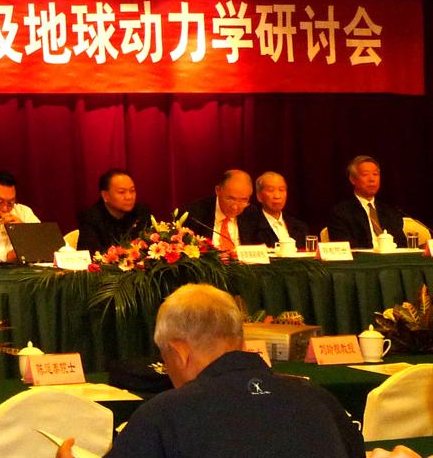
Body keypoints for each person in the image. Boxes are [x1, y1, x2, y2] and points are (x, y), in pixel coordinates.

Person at [58, 284, 364, 458]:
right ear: (242, 342)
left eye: (165, 359)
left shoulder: (164, 414)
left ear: (179, 351)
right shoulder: (318, 399)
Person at [328, 156, 406, 249]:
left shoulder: (390, 212)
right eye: (365, 174)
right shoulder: (341, 212)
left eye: (375, 174)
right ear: (352, 179)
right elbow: (344, 247)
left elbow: (402, 245)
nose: (372, 179)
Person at [76, 168, 151, 253]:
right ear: (105, 195)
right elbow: (90, 254)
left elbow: (149, 247)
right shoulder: (91, 218)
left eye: (132, 191)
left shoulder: (141, 212)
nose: (129, 197)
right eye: (121, 192)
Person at [182, 169, 254, 251]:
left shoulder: (252, 214)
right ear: (218, 190)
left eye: (243, 200)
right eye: (230, 199)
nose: (235, 207)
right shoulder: (194, 214)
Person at [241, 171, 310, 248]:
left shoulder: (299, 227)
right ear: (259, 196)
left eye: (281, 190)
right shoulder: (250, 227)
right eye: (271, 190)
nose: (277, 196)